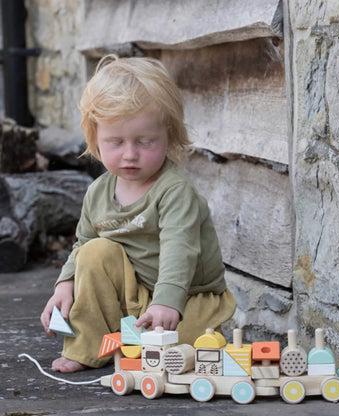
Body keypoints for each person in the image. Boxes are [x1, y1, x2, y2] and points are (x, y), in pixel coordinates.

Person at [40, 55, 236, 373]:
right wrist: (64, 284)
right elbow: (82, 246)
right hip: (134, 295)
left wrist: (166, 302)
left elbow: (179, 248)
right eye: (115, 142)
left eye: (145, 141)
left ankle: (133, 337)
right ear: (95, 139)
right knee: (94, 252)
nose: (130, 154)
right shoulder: (98, 193)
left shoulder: (174, 191)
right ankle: (88, 347)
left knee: (185, 353)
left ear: (168, 136)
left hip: (186, 296)